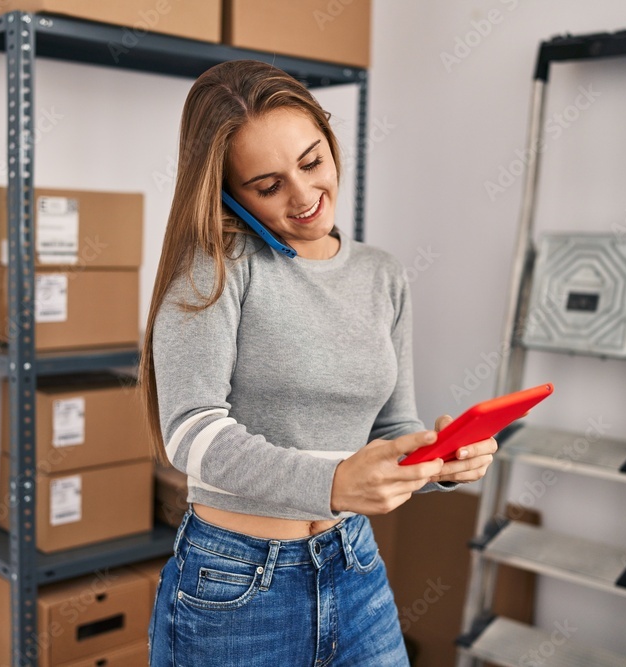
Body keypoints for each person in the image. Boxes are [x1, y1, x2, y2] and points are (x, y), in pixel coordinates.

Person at [138, 60, 497, 667]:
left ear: (329, 141)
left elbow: (388, 429)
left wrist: (439, 459)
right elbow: (191, 434)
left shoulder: (381, 274)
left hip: (352, 562)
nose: (304, 197)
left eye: (311, 162)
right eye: (268, 185)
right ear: (227, 190)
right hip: (237, 583)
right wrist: (331, 483)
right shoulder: (217, 266)